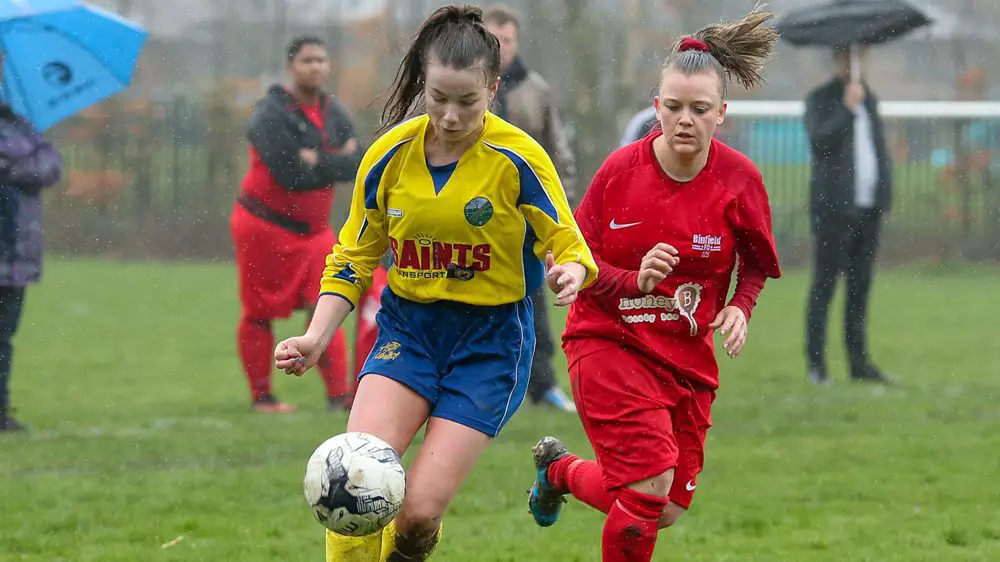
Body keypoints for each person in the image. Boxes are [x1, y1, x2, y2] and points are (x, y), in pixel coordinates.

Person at [273, 6, 597, 561]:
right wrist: (316, 336)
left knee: (417, 516)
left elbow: (567, 240)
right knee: (351, 479)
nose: (449, 116)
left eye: (466, 102)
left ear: (493, 90)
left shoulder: (517, 158)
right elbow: (352, 255)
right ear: (423, 84)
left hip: (489, 346)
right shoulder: (389, 157)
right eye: (437, 98)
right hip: (411, 333)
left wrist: (569, 268)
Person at [526, 9, 782, 562]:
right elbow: (577, 253)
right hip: (607, 340)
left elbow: (757, 263)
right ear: (655, 105)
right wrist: (621, 278)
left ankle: (559, 472)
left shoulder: (740, 180)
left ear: (722, 113)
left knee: (660, 509)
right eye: (672, 107)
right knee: (647, 491)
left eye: (699, 109)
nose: (684, 120)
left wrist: (740, 305)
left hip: (686, 357)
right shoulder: (621, 171)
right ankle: (564, 473)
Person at [230, 36, 384, 413]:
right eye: (306, 60)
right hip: (263, 227)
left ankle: (340, 396)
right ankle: (262, 397)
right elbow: (290, 174)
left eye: (320, 59)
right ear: (291, 66)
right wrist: (331, 161)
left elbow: (360, 163)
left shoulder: (335, 112)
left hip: (315, 232)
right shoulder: (271, 112)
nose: (315, 67)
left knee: (327, 303)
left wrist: (318, 160)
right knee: (258, 311)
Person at [484, 3, 578, 413]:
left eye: (507, 40)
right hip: (474, 221)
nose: (501, 47)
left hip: (525, 222)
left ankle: (543, 385)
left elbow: (558, 154)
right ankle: (480, 385)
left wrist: (561, 212)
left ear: (517, 42)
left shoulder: (535, 89)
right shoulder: (463, 89)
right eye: (493, 40)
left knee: (533, 304)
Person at [803, 44, 892, 385]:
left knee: (860, 288)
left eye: (860, 55)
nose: (854, 62)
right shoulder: (820, 98)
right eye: (846, 56)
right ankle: (816, 365)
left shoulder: (870, 98)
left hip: (869, 209)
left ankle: (859, 363)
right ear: (837, 59)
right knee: (824, 286)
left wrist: (884, 194)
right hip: (834, 211)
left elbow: (878, 149)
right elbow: (820, 141)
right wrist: (846, 108)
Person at [0, 97, 62, 433]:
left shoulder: (18, 121)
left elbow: (50, 165)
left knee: (3, 336)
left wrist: (11, 163)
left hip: (14, 256)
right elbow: (33, 161)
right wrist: (21, 160)